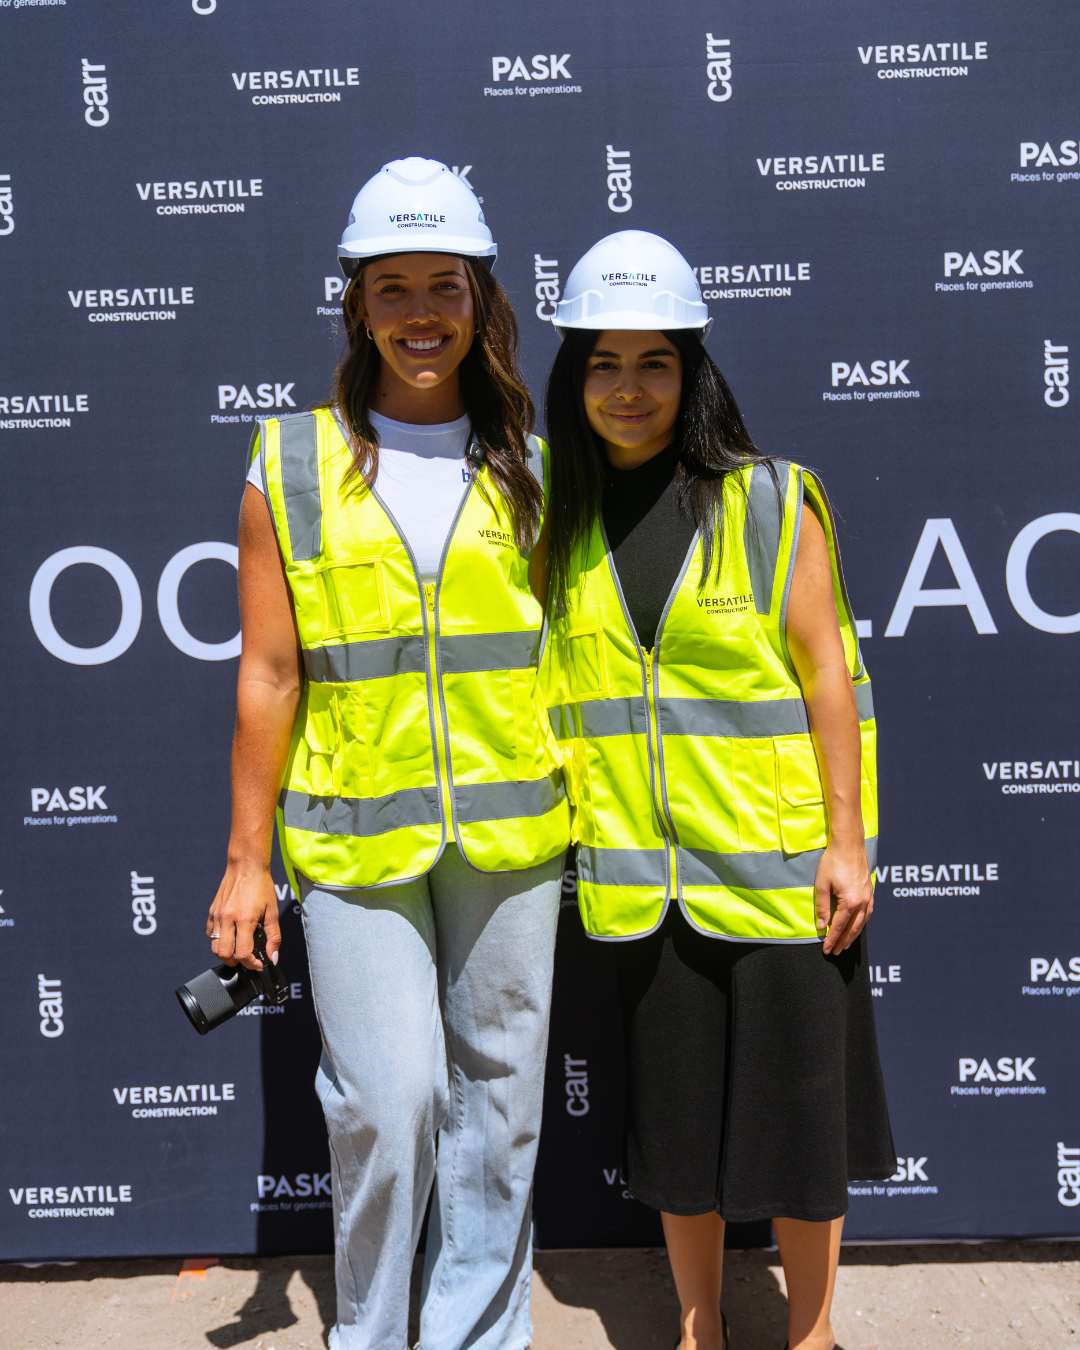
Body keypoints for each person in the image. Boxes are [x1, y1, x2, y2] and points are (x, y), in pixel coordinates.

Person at [206, 158, 570, 1350]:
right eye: (393, 287)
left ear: (482, 300)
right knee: (389, 1097)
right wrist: (246, 862)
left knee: (502, 1107)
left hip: (511, 835)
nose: (422, 314)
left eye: (445, 286)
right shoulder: (291, 462)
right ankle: (370, 1334)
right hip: (353, 835)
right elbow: (270, 673)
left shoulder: (534, 466)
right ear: (357, 302)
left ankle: (476, 1336)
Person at [539, 230, 894, 1350]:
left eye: (655, 362)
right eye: (604, 362)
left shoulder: (770, 499)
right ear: (575, 377)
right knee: (678, 1131)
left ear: (692, 371)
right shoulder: (562, 524)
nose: (628, 387)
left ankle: (813, 1332)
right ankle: (701, 1327)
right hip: (647, 889)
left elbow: (829, 674)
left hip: (781, 873)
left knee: (801, 1125)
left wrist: (848, 843)